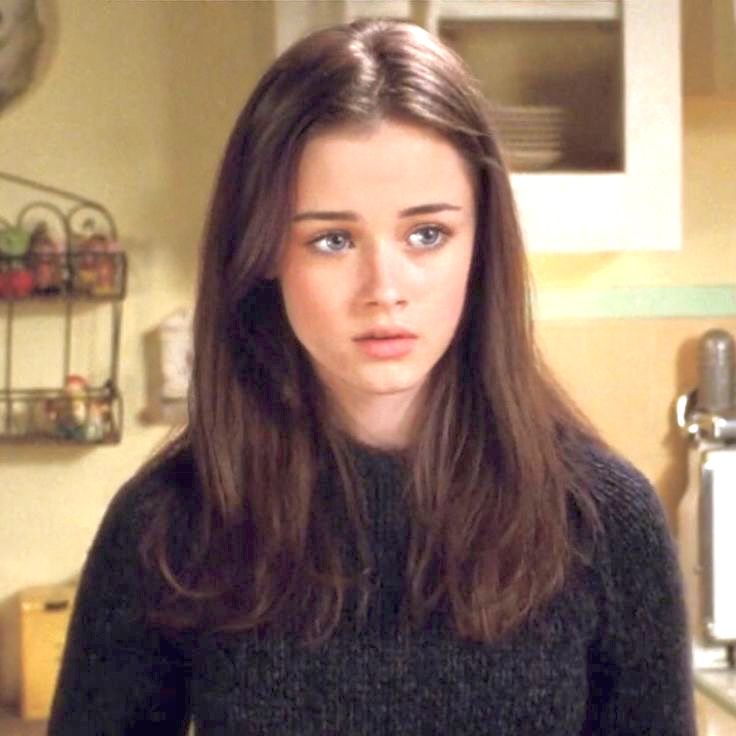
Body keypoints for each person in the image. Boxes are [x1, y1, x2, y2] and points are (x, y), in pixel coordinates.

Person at [48, 18, 696, 735]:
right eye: (332, 240)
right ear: (263, 253)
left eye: (428, 234)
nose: (384, 288)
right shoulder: (168, 526)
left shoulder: (607, 524)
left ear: (482, 245)